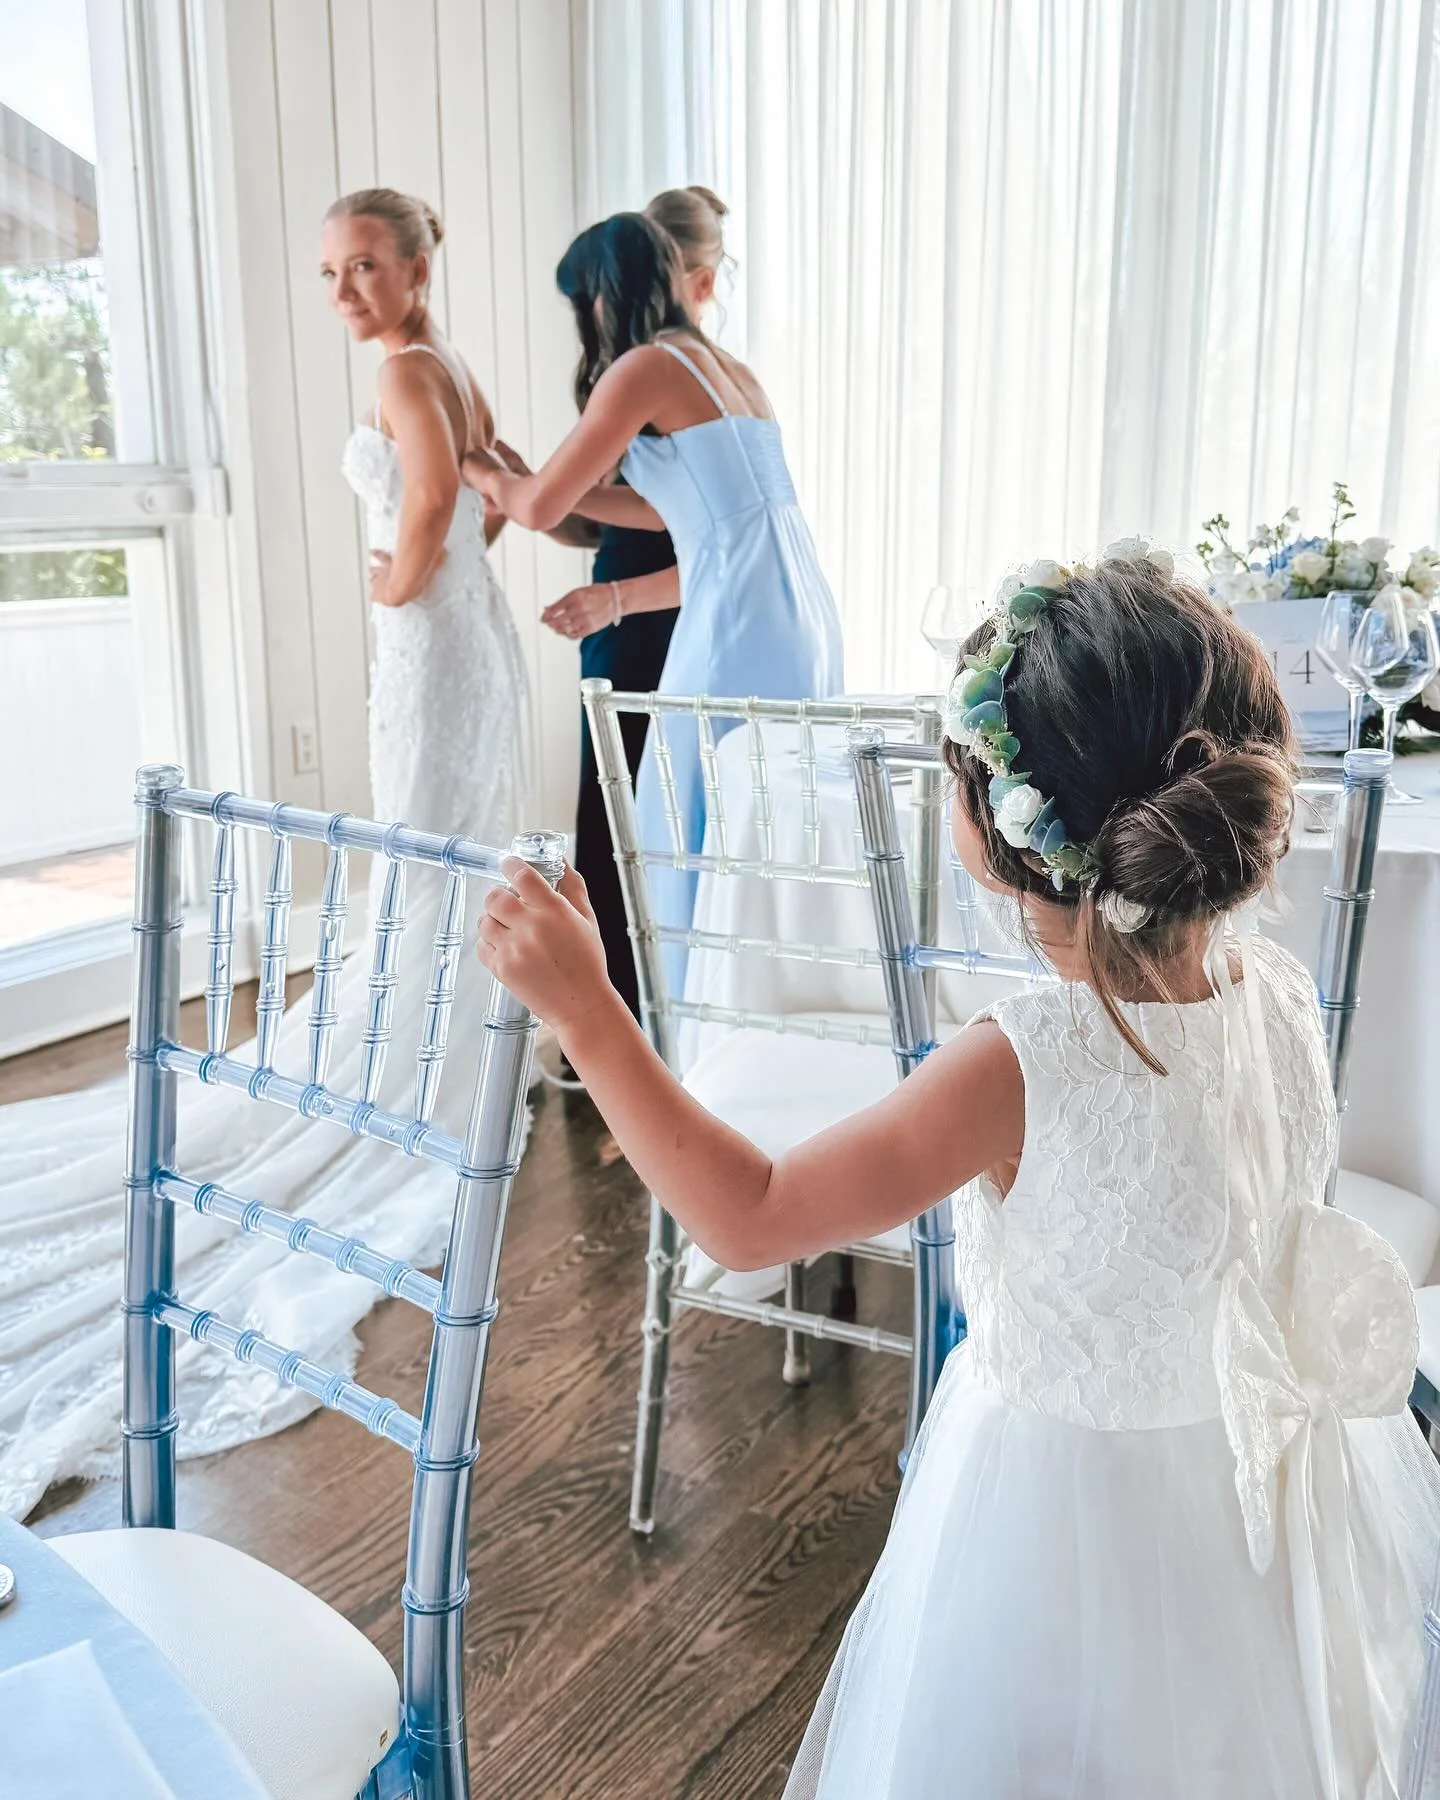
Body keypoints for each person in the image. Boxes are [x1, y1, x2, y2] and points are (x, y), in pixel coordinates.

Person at [474, 543, 1440, 1798]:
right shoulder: (1284, 996)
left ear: (997, 835)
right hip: (1253, 1518)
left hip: (1058, 1525)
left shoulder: (1021, 1064)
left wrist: (589, 1015)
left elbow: (750, 1218)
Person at [0, 190, 531, 1520]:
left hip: (434, 640)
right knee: (442, 847)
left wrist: (394, 584)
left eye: (365, 266)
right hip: (466, 637)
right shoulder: (449, 366)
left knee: (424, 847)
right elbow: (498, 489)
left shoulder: (406, 371)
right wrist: (439, 570)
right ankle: (440, 1045)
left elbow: (432, 506)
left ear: (416, 265)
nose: (344, 291)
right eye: (331, 272)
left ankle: (410, 1059)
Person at [466, 210, 842, 994]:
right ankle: (755, 999)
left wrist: (481, 469)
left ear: (601, 295)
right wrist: (548, 485)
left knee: (687, 814)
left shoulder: (642, 367)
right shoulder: (727, 367)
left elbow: (536, 508)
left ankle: (684, 1016)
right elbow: (679, 509)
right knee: (762, 817)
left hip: (732, 613)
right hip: (796, 607)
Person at [537, 188, 732, 1028]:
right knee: (612, 813)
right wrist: (541, 492)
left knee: (645, 822)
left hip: (661, 623)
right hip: (619, 622)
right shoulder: (654, 375)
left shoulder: (688, 383)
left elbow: (708, 543)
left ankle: (634, 1022)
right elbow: (601, 514)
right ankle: (612, 1015)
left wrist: (613, 596)